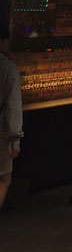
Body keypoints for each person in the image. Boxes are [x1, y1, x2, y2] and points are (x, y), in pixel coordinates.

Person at [0, 22, 22, 211]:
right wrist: (15, 137)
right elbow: (13, 105)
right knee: (4, 177)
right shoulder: (8, 69)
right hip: (2, 131)